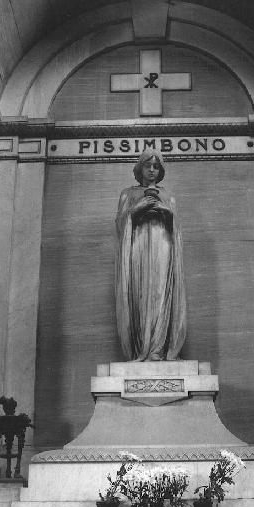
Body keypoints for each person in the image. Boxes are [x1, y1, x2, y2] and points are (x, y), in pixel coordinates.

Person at [115, 149, 186, 361]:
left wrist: (167, 214)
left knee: (160, 293)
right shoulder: (128, 194)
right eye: (148, 166)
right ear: (140, 168)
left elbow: (177, 231)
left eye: (156, 167)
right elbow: (120, 226)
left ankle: (158, 349)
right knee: (140, 294)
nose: (152, 170)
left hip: (162, 245)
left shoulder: (168, 196)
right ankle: (140, 349)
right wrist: (136, 211)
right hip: (137, 248)